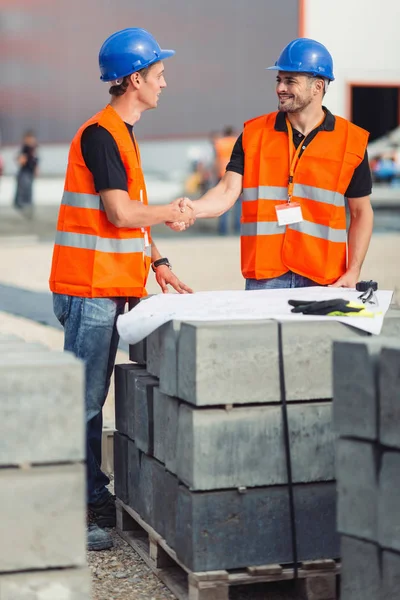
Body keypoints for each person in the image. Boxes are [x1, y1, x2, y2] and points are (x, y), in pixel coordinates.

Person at [49, 27, 194, 552]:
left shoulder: (121, 132)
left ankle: (92, 493)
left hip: (106, 288)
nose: (164, 82)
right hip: (88, 291)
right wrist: (173, 210)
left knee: (92, 402)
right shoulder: (102, 133)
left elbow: (131, 216)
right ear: (135, 79)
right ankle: (77, 509)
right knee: (84, 406)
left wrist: (159, 260)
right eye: (158, 74)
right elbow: (120, 212)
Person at [173, 38, 373, 290]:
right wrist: (193, 208)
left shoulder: (350, 141)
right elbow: (226, 192)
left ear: (318, 86)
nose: (280, 88)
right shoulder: (254, 134)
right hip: (265, 276)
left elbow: (361, 213)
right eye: (279, 80)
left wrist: (353, 271)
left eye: (290, 81)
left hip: (324, 277)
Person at [213, 126, 241, 235]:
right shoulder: (236, 141)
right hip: (236, 173)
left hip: (222, 173)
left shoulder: (219, 143)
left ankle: (223, 229)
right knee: (238, 202)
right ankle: (237, 227)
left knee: (222, 200)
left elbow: (216, 160)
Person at [14, 130, 39, 217]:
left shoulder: (33, 149)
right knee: (24, 190)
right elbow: (20, 159)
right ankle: (23, 206)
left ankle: (27, 206)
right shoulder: (25, 148)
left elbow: (35, 161)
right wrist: (21, 160)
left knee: (28, 190)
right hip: (24, 172)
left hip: (29, 172)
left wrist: (36, 169)